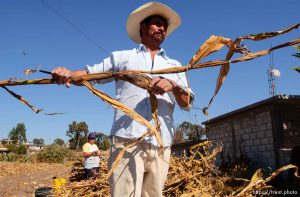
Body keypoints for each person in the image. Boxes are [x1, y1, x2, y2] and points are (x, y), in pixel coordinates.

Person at [52, 2, 194, 196]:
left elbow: (186, 102)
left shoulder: (174, 66)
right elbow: (88, 75)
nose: (162, 28)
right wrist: (68, 73)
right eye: (157, 23)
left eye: (164, 26)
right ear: (143, 27)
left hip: (161, 144)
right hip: (126, 140)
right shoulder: (122, 58)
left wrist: (174, 86)